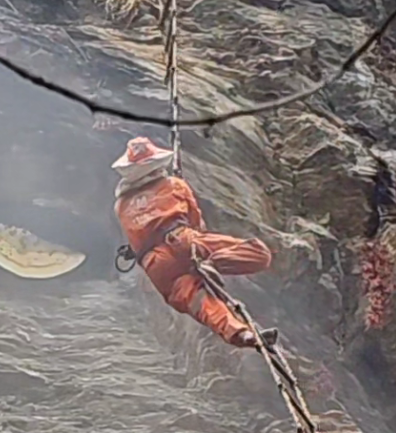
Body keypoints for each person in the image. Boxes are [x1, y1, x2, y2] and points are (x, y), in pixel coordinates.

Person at [112, 136, 278, 350]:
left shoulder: (121, 206)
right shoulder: (174, 185)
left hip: (156, 266)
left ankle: (243, 335)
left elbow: (136, 241)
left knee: (202, 304)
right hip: (182, 240)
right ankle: (214, 264)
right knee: (259, 253)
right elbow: (196, 222)